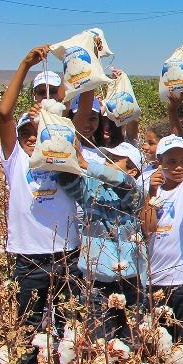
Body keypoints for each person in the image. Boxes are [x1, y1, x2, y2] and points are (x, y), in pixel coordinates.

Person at [0, 46, 81, 364]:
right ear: (18, 139)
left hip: (66, 253)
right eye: (27, 134)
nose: (34, 139)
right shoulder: (14, 159)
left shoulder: (60, 157)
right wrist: (25, 65)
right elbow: (4, 113)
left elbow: (71, 120)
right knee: (29, 325)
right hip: (27, 256)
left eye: (38, 134)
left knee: (66, 326)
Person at [62, 141, 145, 343]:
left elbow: (124, 182)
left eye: (115, 160)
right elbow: (66, 180)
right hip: (96, 281)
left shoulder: (134, 192)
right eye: (107, 159)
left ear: (132, 170)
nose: (107, 163)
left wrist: (86, 165)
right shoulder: (91, 188)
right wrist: (66, 152)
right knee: (99, 344)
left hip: (129, 281)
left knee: (130, 343)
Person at [142, 133, 183, 342]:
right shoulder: (147, 184)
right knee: (160, 346)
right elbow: (147, 228)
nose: (178, 167)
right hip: (157, 279)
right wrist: (151, 193)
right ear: (159, 162)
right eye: (171, 162)